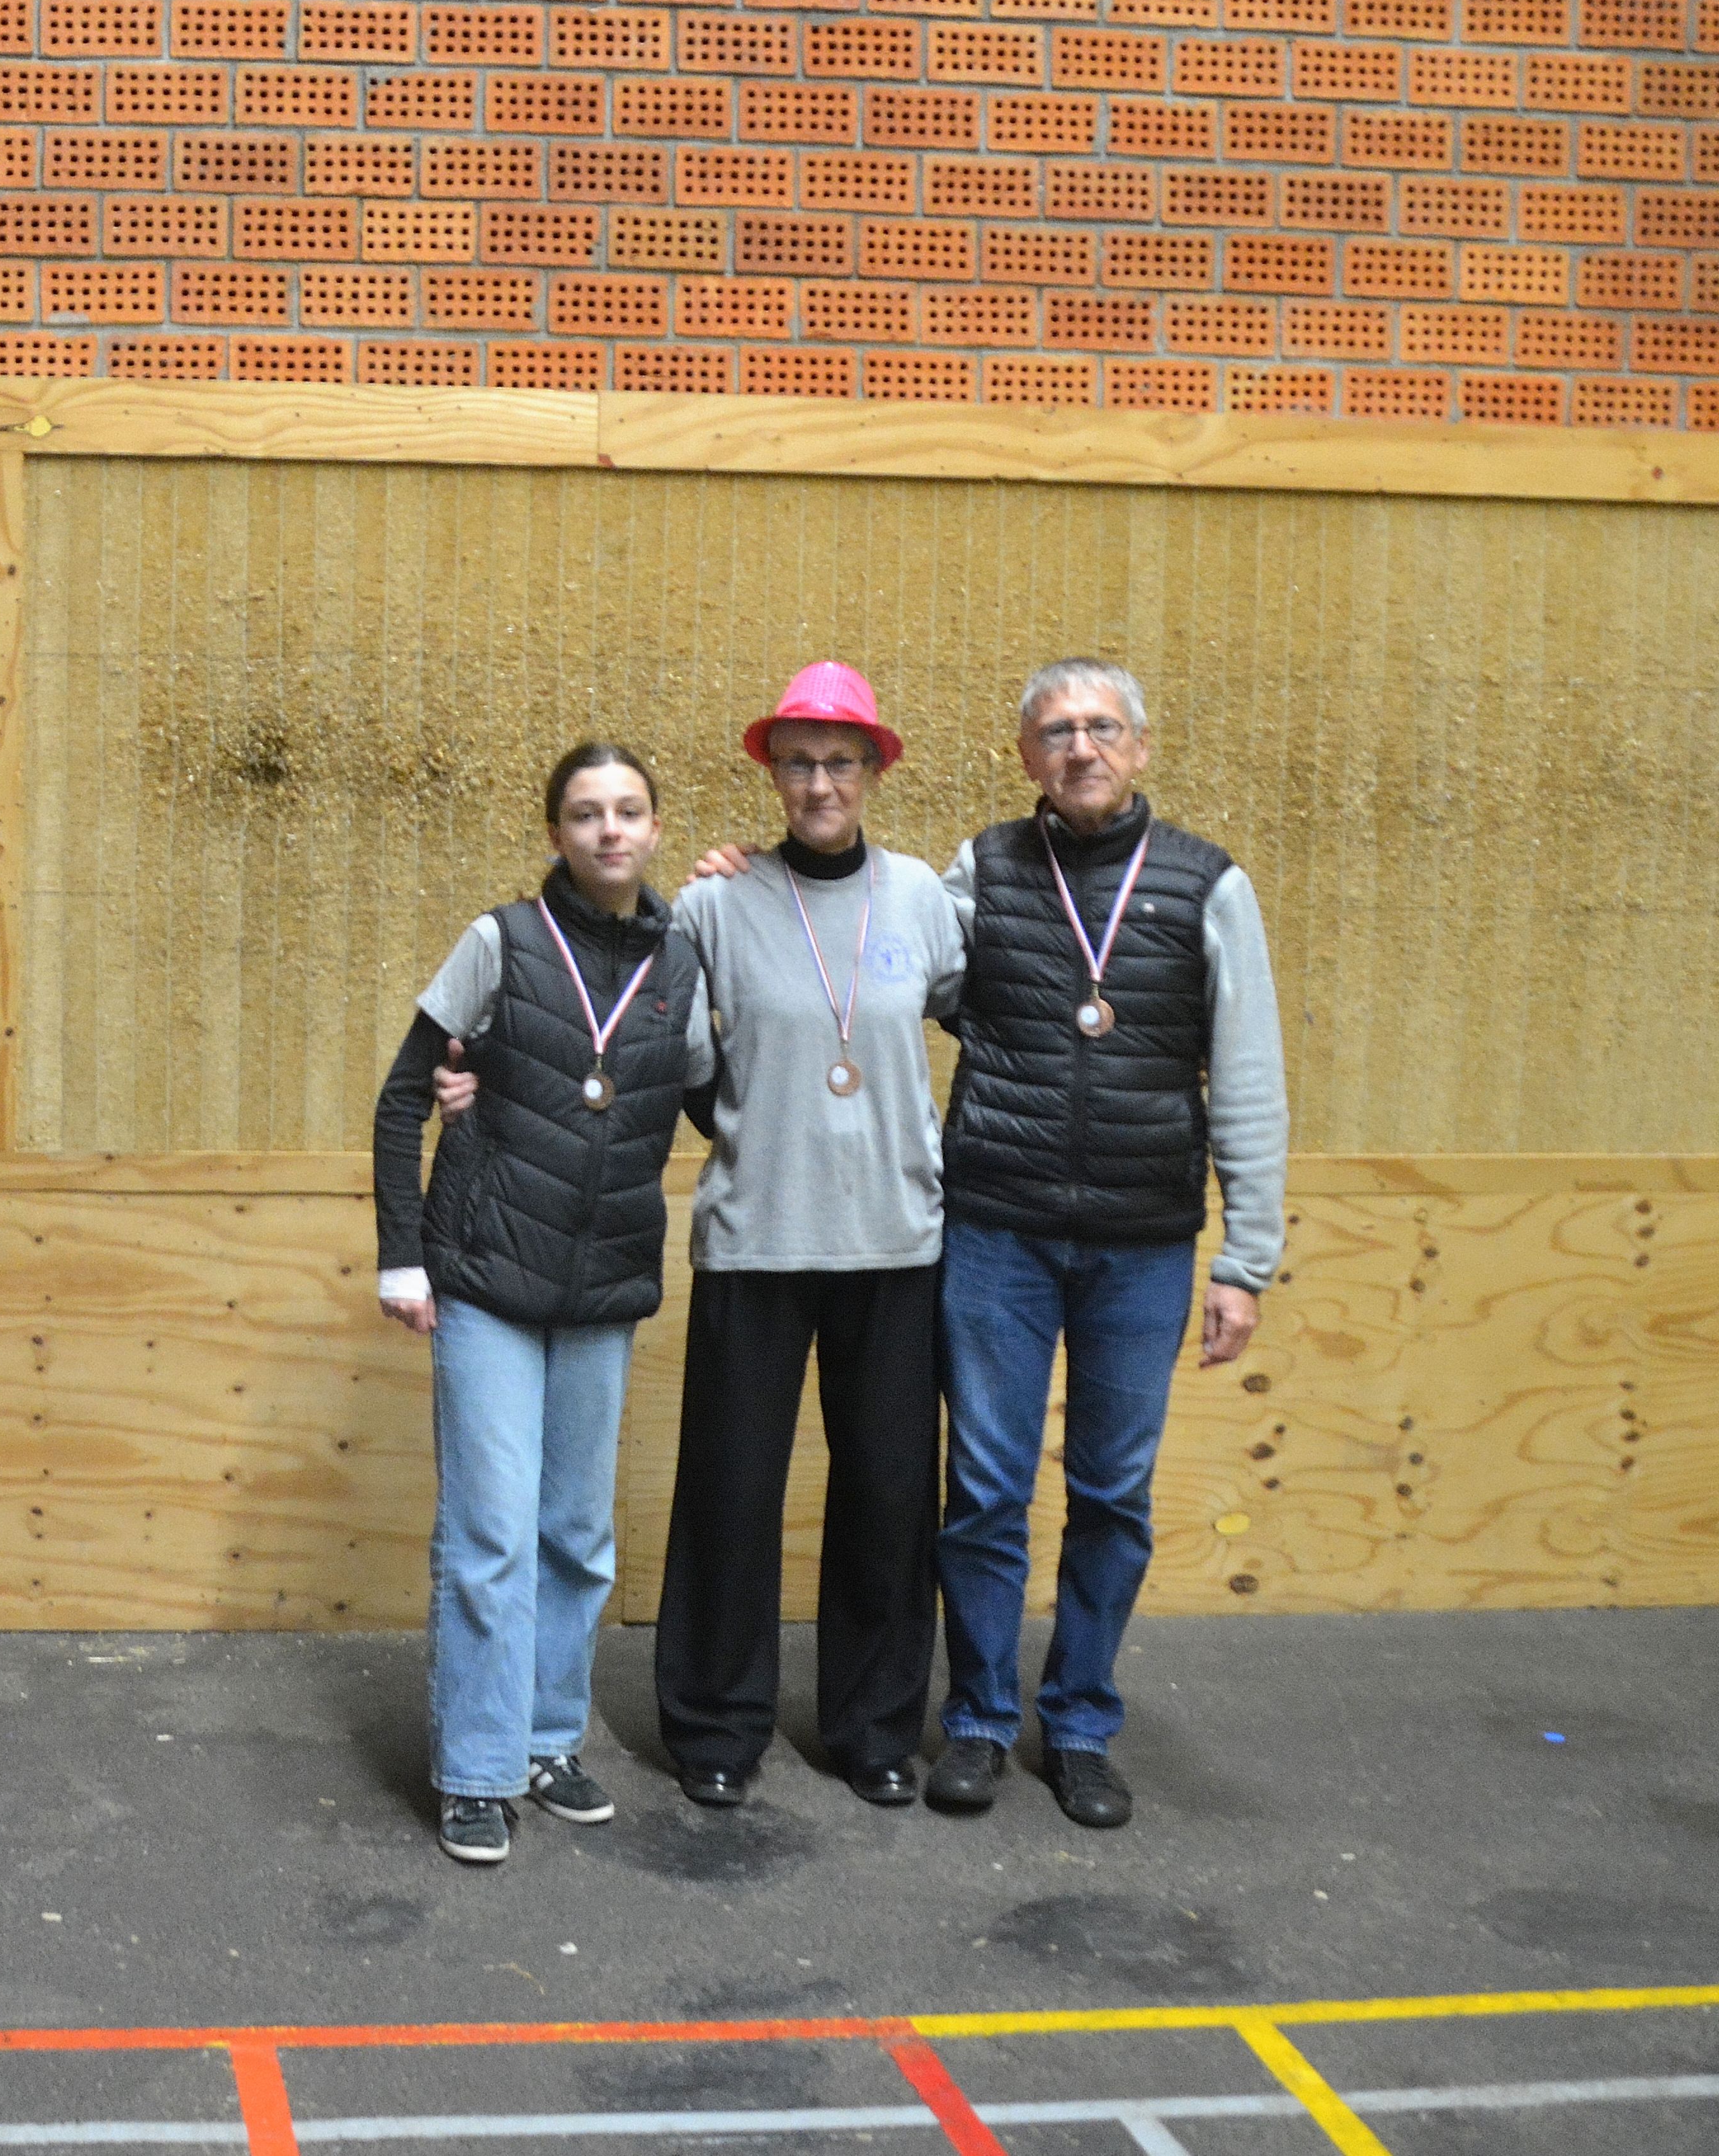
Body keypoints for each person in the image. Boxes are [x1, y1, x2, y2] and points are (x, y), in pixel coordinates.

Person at [925, 658, 1286, 1829]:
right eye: (1054, 731)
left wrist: (1246, 1260)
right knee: (984, 1488)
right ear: (1024, 755)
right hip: (998, 1229)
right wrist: (756, 886)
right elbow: (878, 963)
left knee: (1112, 1495)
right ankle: (978, 1718)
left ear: (1138, 746)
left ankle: (1078, 1723)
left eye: (1100, 727)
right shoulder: (980, 869)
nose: (1078, 747)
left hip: (1142, 1243)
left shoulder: (1205, 883)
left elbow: (1248, 1078)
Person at [374, 743, 708, 1866]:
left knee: (575, 1534)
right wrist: (403, 1258)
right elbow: (401, 1099)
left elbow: (711, 1100)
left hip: (602, 1286)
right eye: (585, 812)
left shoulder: (681, 959)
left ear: (654, 828)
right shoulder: (501, 941)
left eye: (628, 810)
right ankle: (475, 1770)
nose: (609, 829)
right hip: (485, 1279)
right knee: (488, 1534)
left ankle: (545, 1739)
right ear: (556, 831)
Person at [649, 664, 963, 1813]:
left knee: (887, 1496)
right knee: (730, 1493)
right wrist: (752, 1127)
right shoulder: (712, 905)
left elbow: (991, 1021)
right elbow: (674, 1056)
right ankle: (714, 1726)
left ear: (873, 769)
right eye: (796, 762)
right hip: (758, 1236)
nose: (818, 783)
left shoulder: (921, 897)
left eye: (839, 762)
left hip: (894, 1240)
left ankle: (874, 1728)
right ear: (771, 774)